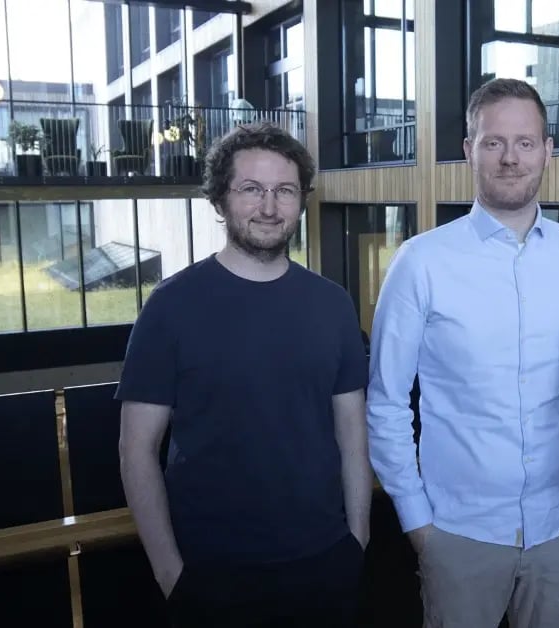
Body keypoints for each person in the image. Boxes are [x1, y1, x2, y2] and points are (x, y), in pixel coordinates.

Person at [366, 77, 559, 628]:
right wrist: (419, 526)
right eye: (493, 142)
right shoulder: (420, 262)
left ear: (549, 150)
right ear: (469, 151)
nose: (510, 158)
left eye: (525, 142)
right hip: (458, 535)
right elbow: (386, 404)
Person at [116, 121, 371, 628]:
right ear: (219, 200)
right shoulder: (170, 307)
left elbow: (352, 435)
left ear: (301, 201)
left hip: (323, 561)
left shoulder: (333, 304)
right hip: (212, 572)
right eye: (251, 189)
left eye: (285, 191)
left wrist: (357, 541)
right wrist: (171, 573)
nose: (270, 206)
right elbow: (136, 449)